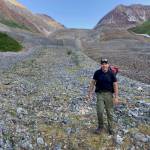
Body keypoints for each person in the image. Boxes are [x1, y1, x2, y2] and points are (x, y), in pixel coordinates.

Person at [87, 58, 119, 135]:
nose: (104, 65)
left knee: (110, 112)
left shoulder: (111, 73)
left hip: (109, 95)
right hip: (100, 94)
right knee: (100, 111)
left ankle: (111, 128)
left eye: (105, 63)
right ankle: (101, 127)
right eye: (102, 63)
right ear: (101, 65)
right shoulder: (97, 73)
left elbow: (115, 85)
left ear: (108, 64)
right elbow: (92, 83)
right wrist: (89, 94)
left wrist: (116, 97)